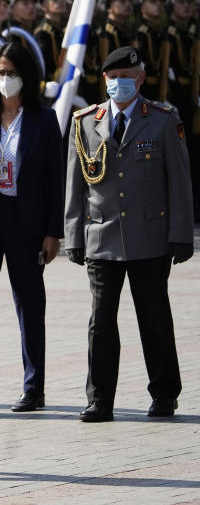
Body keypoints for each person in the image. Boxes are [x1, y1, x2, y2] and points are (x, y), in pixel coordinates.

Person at [64, 46, 194, 422]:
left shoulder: (164, 119)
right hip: (102, 236)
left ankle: (164, 394)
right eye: (112, 77)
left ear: (140, 78)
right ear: (104, 79)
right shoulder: (86, 120)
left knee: (153, 317)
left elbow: (179, 181)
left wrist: (181, 233)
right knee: (100, 321)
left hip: (150, 236)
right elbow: (75, 184)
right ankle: (100, 398)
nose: (118, 83)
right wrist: (74, 235)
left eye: (126, 77)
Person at [0, 42, 64, 418]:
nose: (6, 79)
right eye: (1, 72)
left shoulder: (43, 118)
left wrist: (52, 231)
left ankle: (33, 386)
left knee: (29, 306)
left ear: (27, 76)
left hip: (27, 224)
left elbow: (55, 179)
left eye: (13, 72)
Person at [166, 0, 199, 222]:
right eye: (181, 2)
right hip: (174, 102)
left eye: (189, 2)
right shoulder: (168, 35)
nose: (185, 7)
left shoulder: (192, 34)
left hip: (192, 105)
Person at [91, 0, 137, 102]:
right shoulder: (102, 34)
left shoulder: (128, 32)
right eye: (122, 1)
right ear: (109, 6)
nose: (128, 5)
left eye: (130, 1)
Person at [135, 0, 170, 103]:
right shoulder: (139, 35)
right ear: (142, 6)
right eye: (153, 2)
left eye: (161, 2)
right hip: (143, 94)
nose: (158, 5)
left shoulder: (160, 35)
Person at [35, 0, 70, 94]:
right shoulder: (42, 32)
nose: (60, 2)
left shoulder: (63, 30)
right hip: (50, 88)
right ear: (44, 6)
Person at [6, 0, 46, 82]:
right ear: (12, 8)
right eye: (25, 4)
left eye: (33, 3)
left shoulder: (30, 32)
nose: (31, 7)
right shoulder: (12, 35)